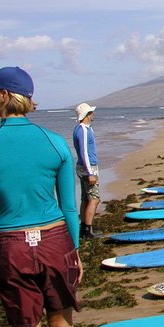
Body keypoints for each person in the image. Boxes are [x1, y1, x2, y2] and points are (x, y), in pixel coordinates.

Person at [0, 66, 82, 327]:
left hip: (12, 246)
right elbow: (69, 207)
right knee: (62, 324)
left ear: (3, 94)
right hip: (56, 242)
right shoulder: (54, 142)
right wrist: (75, 250)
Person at [73, 102, 101, 239]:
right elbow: (84, 152)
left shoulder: (85, 129)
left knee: (85, 198)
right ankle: (88, 231)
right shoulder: (82, 130)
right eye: (91, 112)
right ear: (87, 115)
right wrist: (90, 173)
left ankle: (83, 229)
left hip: (86, 167)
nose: (93, 114)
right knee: (94, 199)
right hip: (87, 168)